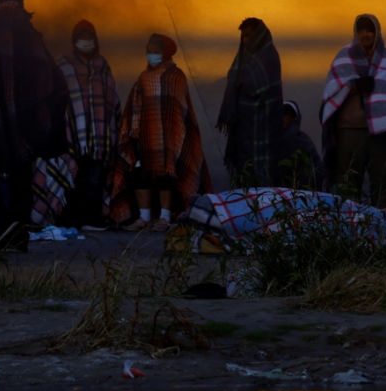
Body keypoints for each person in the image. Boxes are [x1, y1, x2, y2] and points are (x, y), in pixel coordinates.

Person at [0, 0, 69, 252]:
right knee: (22, 181)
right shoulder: (32, 37)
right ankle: (20, 236)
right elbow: (53, 81)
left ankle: (4, 231)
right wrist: (41, 114)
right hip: (29, 125)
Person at [110, 34, 212, 231]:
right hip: (144, 138)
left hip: (170, 139)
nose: (151, 55)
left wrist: (174, 135)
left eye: (156, 51)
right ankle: (144, 218)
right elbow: (134, 107)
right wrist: (132, 131)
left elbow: (180, 111)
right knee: (140, 174)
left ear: (166, 52)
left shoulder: (177, 76)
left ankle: (164, 218)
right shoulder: (143, 77)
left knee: (167, 175)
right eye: (149, 51)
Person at [320, 14, 386, 208]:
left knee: (383, 182)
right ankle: (347, 228)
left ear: (377, 32)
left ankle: (383, 229)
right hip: (349, 130)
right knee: (348, 183)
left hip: (382, 135)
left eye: (369, 30)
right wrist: (355, 86)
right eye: (361, 30)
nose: (365, 34)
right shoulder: (343, 57)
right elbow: (332, 93)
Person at [55, 20, 120, 230]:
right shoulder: (64, 64)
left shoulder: (103, 64)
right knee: (73, 178)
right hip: (73, 133)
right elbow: (58, 98)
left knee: (94, 179)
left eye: (89, 38)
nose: (85, 42)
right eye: (81, 38)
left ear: (95, 40)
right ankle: (72, 220)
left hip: (98, 135)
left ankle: (91, 219)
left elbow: (111, 97)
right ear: (74, 41)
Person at [217, 18, 283, 187]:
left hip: (264, 127)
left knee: (263, 174)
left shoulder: (269, 56)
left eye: (249, 36)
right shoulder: (241, 59)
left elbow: (259, 87)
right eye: (243, 37)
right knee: (244, 171)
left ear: (259, 35)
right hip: (244, 128)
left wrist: (241, 86)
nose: (246, 40)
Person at [279, 101, 324, 189]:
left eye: (290, 115)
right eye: (284, 114)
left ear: (295, 118)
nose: (286, 118)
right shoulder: (272, 139)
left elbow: (316, 166)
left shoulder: (302, 139)